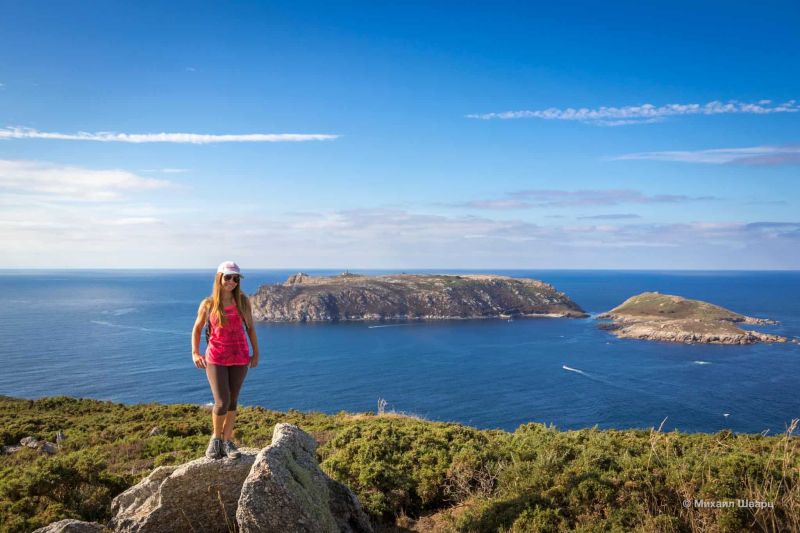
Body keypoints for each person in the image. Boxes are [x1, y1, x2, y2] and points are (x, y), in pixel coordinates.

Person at [191, 261, 260, 459]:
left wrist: (256, 353)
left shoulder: (243, 302)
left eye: (235, 278)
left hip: (239, 357)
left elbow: (251, 329)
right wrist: (195, 353)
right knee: (222, 401)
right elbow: (196, 329)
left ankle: (228, 441)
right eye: (227, 277)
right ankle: (216, 439)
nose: (231, 282)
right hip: (216, 358)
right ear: (219, 277)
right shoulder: (209, 304)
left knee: (233, 400)